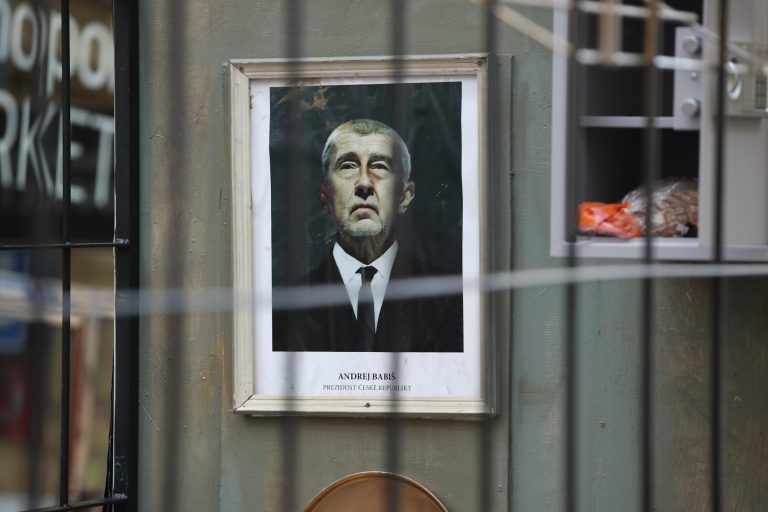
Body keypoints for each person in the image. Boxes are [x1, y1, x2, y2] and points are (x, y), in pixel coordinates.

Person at [272, 119, 463, 352]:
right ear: (325, 197)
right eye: (348, 166)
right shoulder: (281, 309)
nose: (364, 183)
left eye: (380, 166)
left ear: (405, 196)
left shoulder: (453, 300)